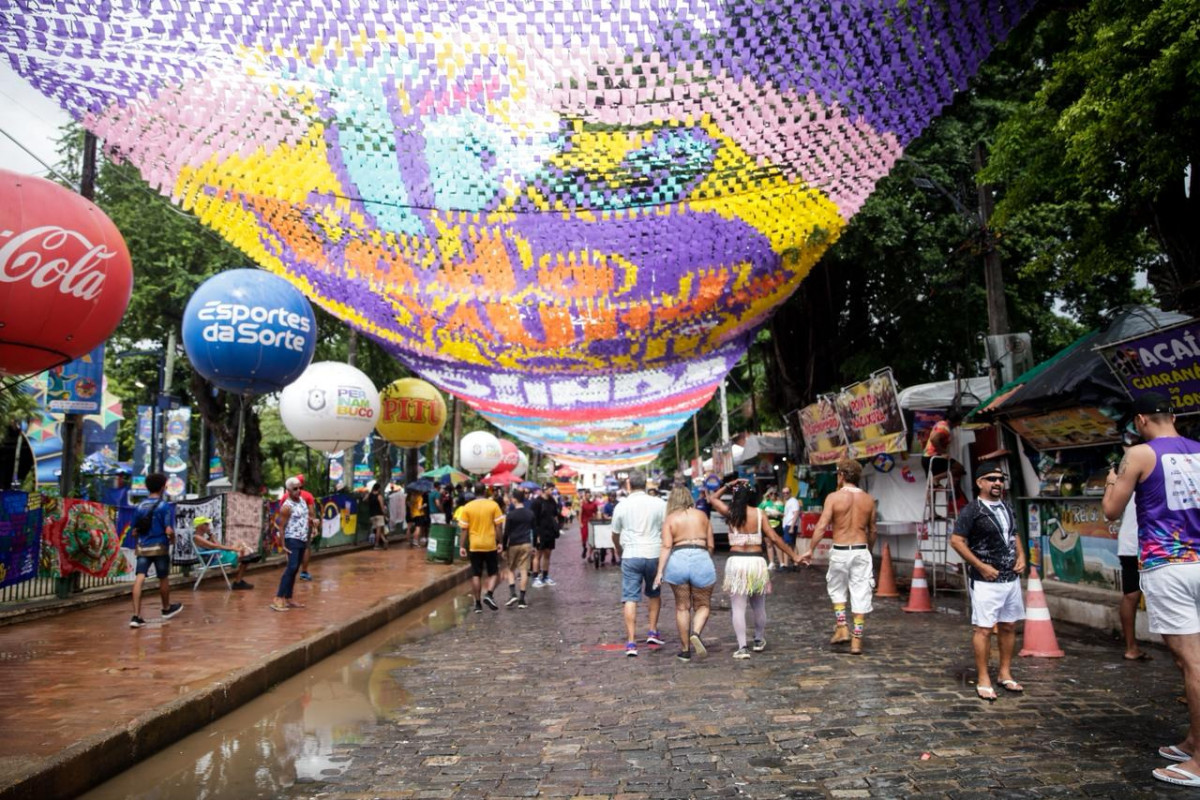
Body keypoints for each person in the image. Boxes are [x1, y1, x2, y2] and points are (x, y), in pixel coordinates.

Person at [1102, 392, 1200, 786]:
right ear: (1172, 415)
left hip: (1169, 566)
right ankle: (1194, 741)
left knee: (1193, 662)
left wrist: (1112, 482)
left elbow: (1112, 510)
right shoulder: (1197, 450)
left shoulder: (1140, 454)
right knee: (1186, 662)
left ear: (1141, 419)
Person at [950, 461, 1026, 701]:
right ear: (979, 482)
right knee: (983, 629)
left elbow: (1013, 535)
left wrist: (1022, 556)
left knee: (1009, 626)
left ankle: (1005, 673)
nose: (997, 483)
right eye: (992, 479)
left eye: (1000, 479)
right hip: (985, 581)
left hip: (1010, 578)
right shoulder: (973, 510)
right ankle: (983, 677)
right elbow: (956, 541)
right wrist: (981, 566)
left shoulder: (1007, 506)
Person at [708, 478, 802, 659]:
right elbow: (774, 538)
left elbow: (712, 498)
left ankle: (742, 647)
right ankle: (758, 640)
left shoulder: (731, 513)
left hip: (737, 562)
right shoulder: (759, 514)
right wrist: (794, 556)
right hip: (757, 563)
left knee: (738, 607)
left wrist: (730, 484)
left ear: (735, 497)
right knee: (759, 605)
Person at [800, 458, 878, 655]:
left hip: (840, 550)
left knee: (837, 590)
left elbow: (821, 526)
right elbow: (873, 530)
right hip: (861, 549)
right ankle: (856, 641)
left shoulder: (833, 498)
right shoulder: (868, 499)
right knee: (861, 593)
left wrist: (811, 549)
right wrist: (868, 548)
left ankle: (842, 627)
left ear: (841, 475)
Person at [653, 485, 716, 661]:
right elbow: (711, 545)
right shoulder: (702, 516)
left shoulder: (670, 519)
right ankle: (695, 633)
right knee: (702, 605)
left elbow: (666, 546)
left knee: (682, 606)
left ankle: (685, 650)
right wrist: (703, 557)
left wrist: (659, 572)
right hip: (701, 557)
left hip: (678, 560)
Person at [611, 470, 667, 656]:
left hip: (631, 553)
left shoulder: (622, 506)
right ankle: (652, 630)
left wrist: (619, 550)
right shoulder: (659, 503)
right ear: (646, 484)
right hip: (653, 553)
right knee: (654, 593)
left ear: (628, 485)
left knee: (630, 597)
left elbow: (615, 533)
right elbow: (666, 529)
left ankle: (631, 642)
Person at [129, 472, 183, 628]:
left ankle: (136, 616)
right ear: (162, 487)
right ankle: (166, 608)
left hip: (143, 547)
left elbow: (134, 531)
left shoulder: (139, 507)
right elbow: (169, 530)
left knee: (140, 578)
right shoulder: (163, 506)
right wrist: (172, 540)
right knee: (163, 577)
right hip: (160, 547)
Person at [455, 481, 507, 613]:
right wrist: (500, 542)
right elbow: (499, 526)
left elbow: (464, 530)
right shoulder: (493, 505)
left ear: (474, 492)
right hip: (490, 544)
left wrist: (461, 546)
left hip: (474, 546)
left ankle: (477, 605)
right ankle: (489, 594)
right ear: (485, 491)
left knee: (476, 574)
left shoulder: (467, 507)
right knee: (493, 572)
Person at [272, 477, 312, 612]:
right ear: (288, 490)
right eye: (295, 488)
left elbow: (305, 518)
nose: (298, 491)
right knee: (291, 567)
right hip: (292, 539)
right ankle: (278, 597)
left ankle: (288, 598)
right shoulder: (286, 507)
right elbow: (281, 526)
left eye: (300, 487)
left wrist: (313, 522)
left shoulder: (302, 501)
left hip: (302, 538)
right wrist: (282, 544)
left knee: (295, 569)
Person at [192, 516, 258, 590]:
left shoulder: (203, 536)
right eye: (206, 524)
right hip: (213, 559)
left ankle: (245, 558)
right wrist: (233, 548)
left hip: (218, 555)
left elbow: (217, 544)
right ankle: (244, 562)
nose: (208, 526)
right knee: (245, 559)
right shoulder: (197, 537)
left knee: (240, 542)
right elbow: (215, 546)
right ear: (200, 526)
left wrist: (210, 535)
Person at [501, 487, 535, 608]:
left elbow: (506, 533)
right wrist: (534, 545)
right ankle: (521, 600)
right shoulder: (530, 513)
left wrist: (504, 547)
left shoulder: (510, 515)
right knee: (524, 571)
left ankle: (512, 594)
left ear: (514, 499)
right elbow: (534, 530)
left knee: (510, 569)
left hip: (514, 544)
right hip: (526, 543)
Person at [531, 484, 561, 587]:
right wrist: (537, 534)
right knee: (538, 555)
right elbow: (534, 520)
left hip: (550, 532)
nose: (553, 491)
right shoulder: (537, 502)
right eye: (551, 489)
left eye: (553, 489)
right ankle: (535, 577)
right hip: (540, 531)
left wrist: (556, 527)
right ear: (545, 489)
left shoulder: (552, 501)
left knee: (547, 554)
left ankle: (545, 576)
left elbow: (555, 515)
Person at [759, 487, 786, 570]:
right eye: (771, 494)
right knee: (769, 544)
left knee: (778, 544)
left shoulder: (779, 503)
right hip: (767, 525)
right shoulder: (764, 503)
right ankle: (771, 562)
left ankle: (781, 563)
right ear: (768, 494)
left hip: (777, 525)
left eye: (774, 494)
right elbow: (759, 512)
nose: (773, 495)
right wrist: (767, 515)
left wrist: (777, 514)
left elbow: (783, 514)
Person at [781, 486, 801, 571]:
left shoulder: (793, 501)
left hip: (790, 525)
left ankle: (786, 565)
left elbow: (796, 513)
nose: (785, 494)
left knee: (786, 545)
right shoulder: (788, 502)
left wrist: (792, 526)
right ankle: (795, 564)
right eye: (784, 493)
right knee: (792, 544)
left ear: (790, 493)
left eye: (787, 492)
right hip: (788, 524)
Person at [366, 481, 389, 550]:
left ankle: (384, 541)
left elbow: (364, 500)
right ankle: (376, 544)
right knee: (379, 530)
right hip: (379, 514)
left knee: (377, 529)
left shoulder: (369, 495)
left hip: (372, 515)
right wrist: (385, 514)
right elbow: (382, 507)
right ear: (378, 489)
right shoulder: (379, 496)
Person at [579, 489, 601, 560]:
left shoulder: (594, 504)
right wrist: (580, 523)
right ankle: (584, 548)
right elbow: (580, 514)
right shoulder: (582, 504)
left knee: (592, 539)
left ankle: (590, 555)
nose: (588, 497)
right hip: (584, 523)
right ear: (585, 495)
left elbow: (596, 512)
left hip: (591, 522)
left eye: (589, 495)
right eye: (587, 495)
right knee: (584, 539)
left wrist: (597, 519)